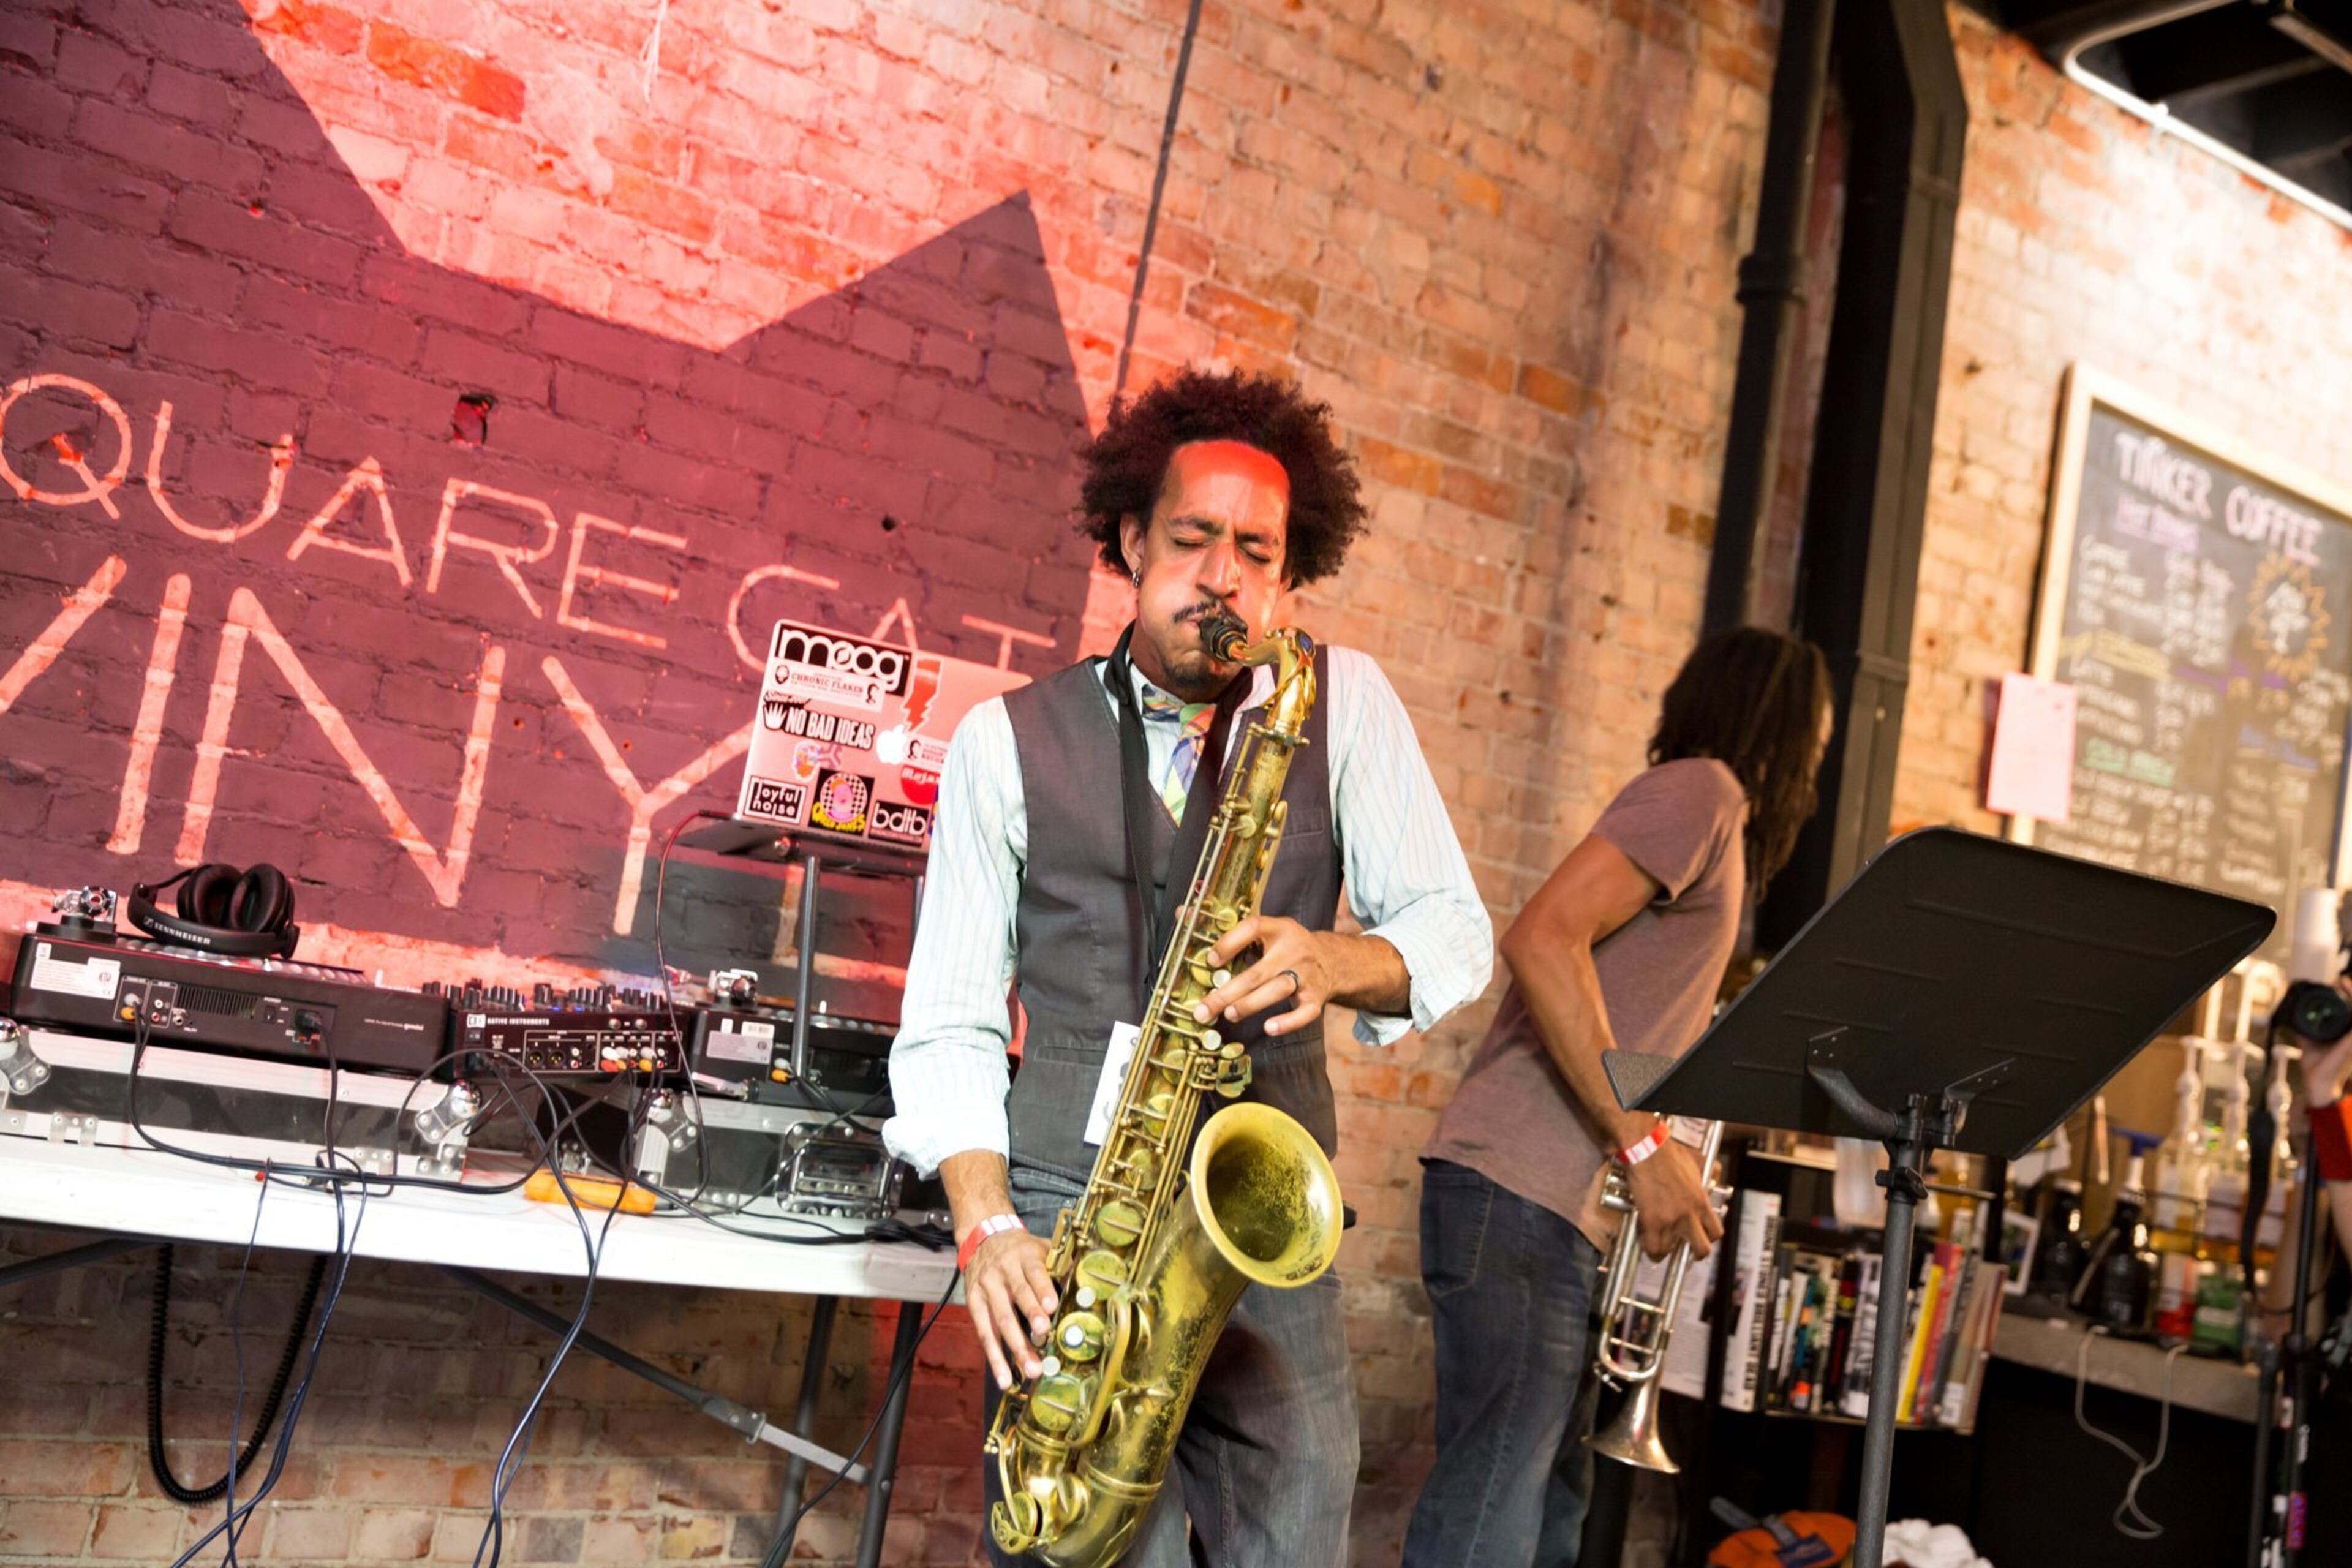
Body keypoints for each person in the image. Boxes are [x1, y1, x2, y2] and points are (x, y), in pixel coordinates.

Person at [883, 366, 1494, 1567]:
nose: (1224, 578)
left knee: (1299, 1534)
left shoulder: (1343, 704)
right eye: (1193, 539)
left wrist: (1335, 957)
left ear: (1290, 567)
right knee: (1093, 1546)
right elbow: (950, 1020)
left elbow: (1454, 931)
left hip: (1257, 1215)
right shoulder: (1004, 741)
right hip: (1071, 1222)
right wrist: (986, 1225)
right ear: (1127, 537)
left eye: (1256, 552)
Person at [1406, 626, 1834, 1566]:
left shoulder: (1704, 822)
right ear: (1783, 726)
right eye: (1818, 740)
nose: (1817, 766)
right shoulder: (1703, 792)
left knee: (1552, 1522)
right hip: (1523, 1197)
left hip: (1551, 1215)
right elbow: (1543, 937)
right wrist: (1644, 1147)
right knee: (1493, 1519)